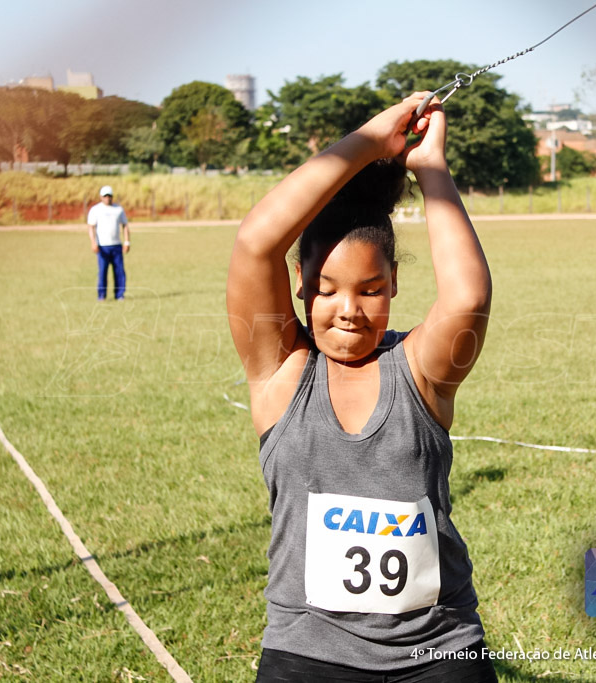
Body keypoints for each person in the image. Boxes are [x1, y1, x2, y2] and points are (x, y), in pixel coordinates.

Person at [227, 93, 495, 682]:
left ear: (395, 283)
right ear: (301, 285)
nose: (349, 310)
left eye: (370, 289)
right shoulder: (281, 371)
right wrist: (370, 143)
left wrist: (431, 169)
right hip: (308, 656)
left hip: (439, 652)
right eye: (328, 289)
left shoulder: (419, 370)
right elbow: (256, 242)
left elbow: (468, 297)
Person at [87, 185, 130, 300]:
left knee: (119, 271)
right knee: (102, 272)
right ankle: (101, 295)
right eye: (105, 196)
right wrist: (93, 242)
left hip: (116, 245)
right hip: (102, 246)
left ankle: (120, 294)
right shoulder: (95, 210)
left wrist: (127, 242)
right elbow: (91, 227)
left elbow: (125, 225)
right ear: (101, 197)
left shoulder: (118, 209)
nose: (107, 198)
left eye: (109, 196)